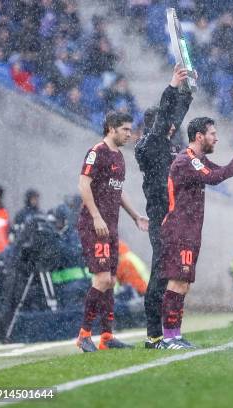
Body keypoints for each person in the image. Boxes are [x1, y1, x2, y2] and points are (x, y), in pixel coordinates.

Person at [158, 118, 233, 349]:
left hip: (190, 231)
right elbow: (214, 178)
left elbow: (218, 172)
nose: (216, 137)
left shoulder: (198, 160)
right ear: (199, 136)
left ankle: (175, 335)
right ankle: (167, 338)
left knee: (183, 284)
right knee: (176, 282)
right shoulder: (186, 160)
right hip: (179, 230)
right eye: (212, 133)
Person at [76, 112, 149, 353]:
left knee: (112, 282)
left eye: (130, 130)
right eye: (125, 130)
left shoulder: (119, 156)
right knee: (103, 279)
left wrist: (136, 215)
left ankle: (107, 336)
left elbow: (118, 192)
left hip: (111, 226)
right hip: (93, 224)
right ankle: (84, 335)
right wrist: (96, 216)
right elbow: (83, 184)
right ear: (111, 128)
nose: (130, 134)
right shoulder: (97, 152)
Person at [134, 65, 194, 349]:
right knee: (160, 274)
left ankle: (169, 334)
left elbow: (176, 115)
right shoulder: (148, 146)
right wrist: (172, 86)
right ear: (155, 124)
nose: (173, 126)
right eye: (166, 122)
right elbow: (164, 121)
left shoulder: (168, 144)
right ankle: (153, 336)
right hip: (160, 218)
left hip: (174, 218)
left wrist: (188, 91)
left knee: (170, 274)